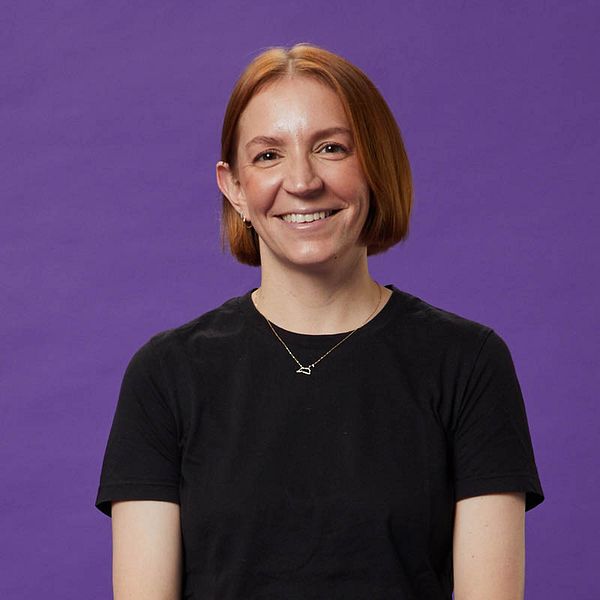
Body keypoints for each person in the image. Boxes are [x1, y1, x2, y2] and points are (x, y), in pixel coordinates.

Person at [95, 43, 545, 599]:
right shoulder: (166, 374)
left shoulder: (467, 363)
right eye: (268, 155)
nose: (302, 181)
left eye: (331, 148)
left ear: (375, 167)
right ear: (234, 188)